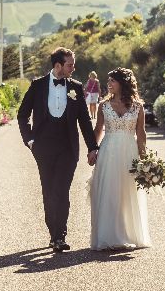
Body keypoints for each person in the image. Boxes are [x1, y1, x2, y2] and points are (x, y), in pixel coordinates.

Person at [17, 47, 101, 252]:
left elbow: (84, 120)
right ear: (58, 66)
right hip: (43, 147)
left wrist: (92, 147)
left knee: (61, 190)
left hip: (67, 148)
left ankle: (60, 236)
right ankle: (53, 232)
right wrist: (30, 141)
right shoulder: (37, 86)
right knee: (48, 191)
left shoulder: (76, 87)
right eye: (70, 65)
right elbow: (22, 115)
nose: (73, 68)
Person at [88, 67, 152, 250]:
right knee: (109, 192)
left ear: (123, 83)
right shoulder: (103, 106)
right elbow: (98, 130)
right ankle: (108, 236)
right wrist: (92, 150)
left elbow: (141, 133)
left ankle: (129, 234)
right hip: (108, 152)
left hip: (129, 153)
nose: (108, 85)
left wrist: (144, 159)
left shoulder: (138, 107)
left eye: (112, 81)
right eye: (108, 82)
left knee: (127, 192)